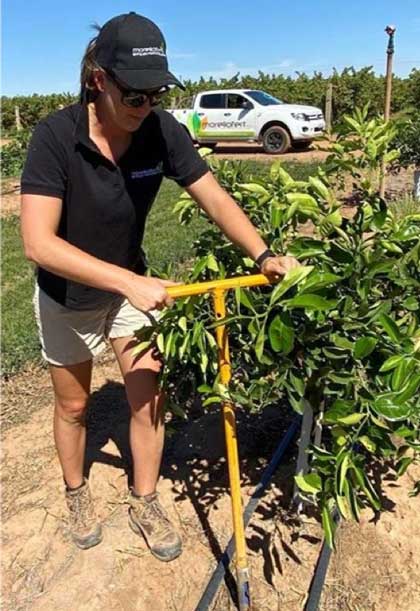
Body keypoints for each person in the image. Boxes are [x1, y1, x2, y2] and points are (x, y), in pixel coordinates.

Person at [20, 12, 299, 561]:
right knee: (74, 407)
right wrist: (129, 281)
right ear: (98, 79)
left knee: (147, 398)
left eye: (155, 93)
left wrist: (264, 254)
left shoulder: (161, 131)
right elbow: (38, 243)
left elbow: (213, 195)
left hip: (130, 289)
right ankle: (76, 491)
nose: (145, 104)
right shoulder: (55, 137)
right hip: (69, 296)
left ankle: (143, 498)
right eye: (134, 93)